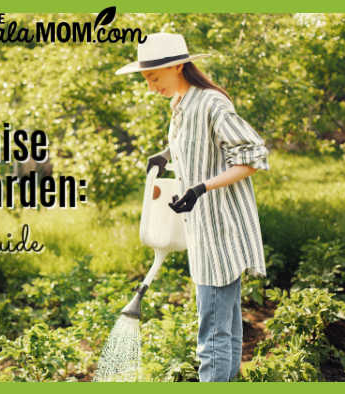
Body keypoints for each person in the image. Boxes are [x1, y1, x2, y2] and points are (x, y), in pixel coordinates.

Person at [115, 32, 270, 382]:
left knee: (212, 336)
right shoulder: (182, 105)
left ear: (178, 65)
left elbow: (252, 157)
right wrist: (166, 154)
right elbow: (199, 145)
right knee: (225, 330)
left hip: (221, 230)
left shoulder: (211, 103)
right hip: (202, 229)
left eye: (154, 77)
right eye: (146, 79)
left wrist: (202, 187)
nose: (151, 86)